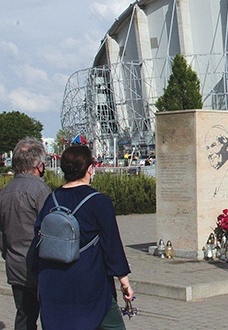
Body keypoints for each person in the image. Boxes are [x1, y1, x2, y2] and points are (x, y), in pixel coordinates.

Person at [35, 145, 133, 330]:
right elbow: (112, 245)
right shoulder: (99, 201)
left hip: (53, 280)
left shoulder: (52, 199)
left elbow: (38, 238)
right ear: (90, 168)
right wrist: (124, 281)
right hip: (89, 282)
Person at [0, 138, 51, 330]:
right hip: (40, 266)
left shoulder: (4, 193)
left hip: (15, 265)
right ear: (38, 166)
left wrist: (7, 253)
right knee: (48, 314)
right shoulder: (40, 190)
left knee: (24, 315)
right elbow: (51, 227)